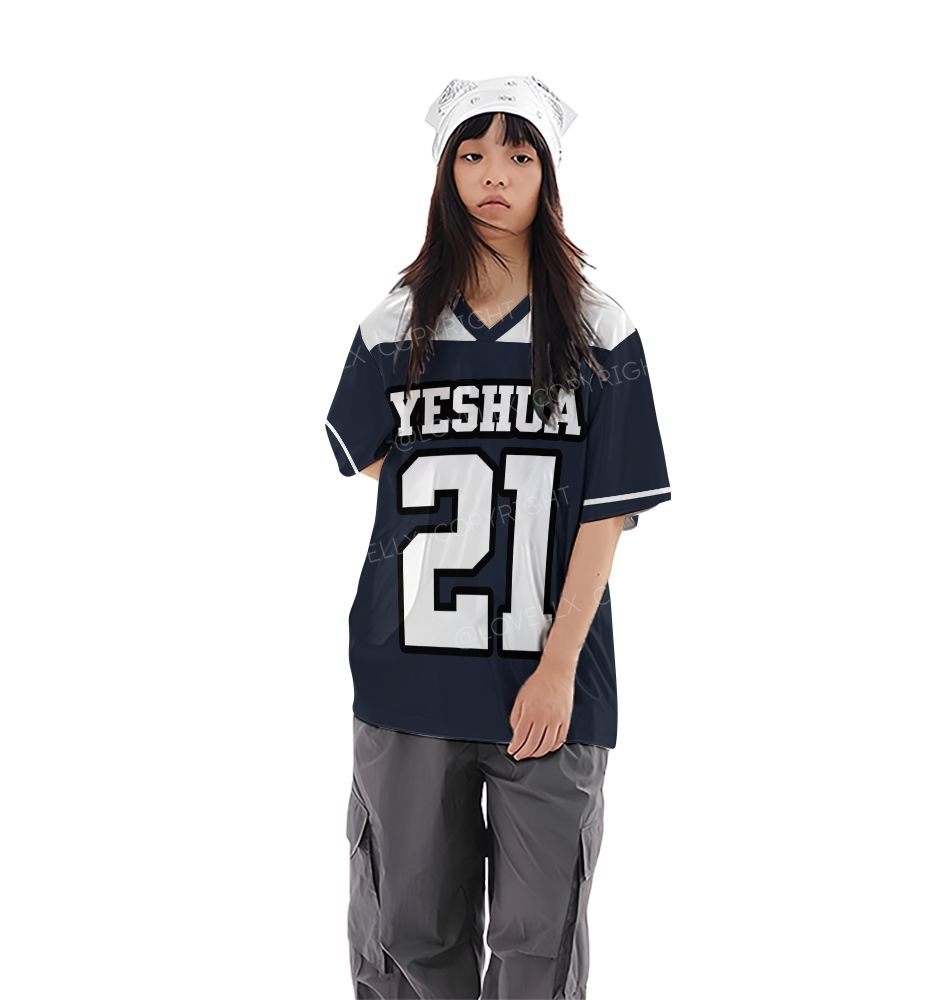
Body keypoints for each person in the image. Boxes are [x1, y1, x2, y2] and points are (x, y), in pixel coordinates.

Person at [325, 74, 672, 1000]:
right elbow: (372, 457)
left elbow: (607, 512)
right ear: (446, 171)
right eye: (473, 154)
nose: (494, 174)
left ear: (546, 174)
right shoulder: (395, 323)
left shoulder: (598, 328)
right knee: (407, 930)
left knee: (537, 941)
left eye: (518, 155)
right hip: (411, 671)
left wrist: (556, 668)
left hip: (547, 683)